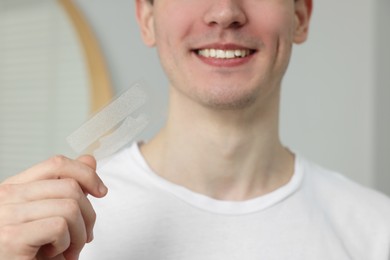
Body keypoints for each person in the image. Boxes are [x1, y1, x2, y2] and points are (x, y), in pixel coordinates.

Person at [1, 0, 389, 259]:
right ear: (147, 18)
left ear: (300, 16)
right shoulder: (50, 236)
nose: (224, 12)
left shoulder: (377, 231)